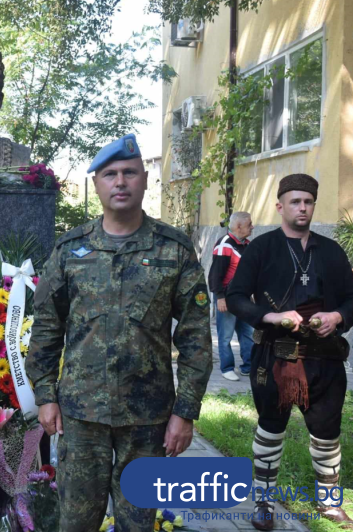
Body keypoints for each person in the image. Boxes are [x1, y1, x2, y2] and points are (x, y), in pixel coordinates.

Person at [26, 133, 213, 532]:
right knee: (75, 522)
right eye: (110, 174)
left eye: (130, 172)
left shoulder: (174, 250)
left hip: (148, 421)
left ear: (145, 179)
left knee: (139, 523)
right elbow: (46, 328)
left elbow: (196, 338)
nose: (121, 181)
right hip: (80, 418)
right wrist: (45, 396)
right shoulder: (70, 251)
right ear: (97, 184)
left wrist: (186, 411)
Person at [226, 174, 353, 530]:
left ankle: (329, 504)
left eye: (308, 202)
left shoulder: (331, 252)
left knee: (327, 433)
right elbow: (235, 297)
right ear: (280, 206)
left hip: (324, 358)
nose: (302, 207)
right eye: (295, 202)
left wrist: (338, 316)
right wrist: (270, 316)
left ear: (314, 205)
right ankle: (263, 503)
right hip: (274, 357)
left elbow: (351, 298)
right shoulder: (261, 248)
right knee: (270, 429)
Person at [208, 211, 255, 381]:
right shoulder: (224, 245)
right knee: (226, 334)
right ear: (239, 226)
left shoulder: (247, 244)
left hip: (243, 298)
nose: (252, 226)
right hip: (226, 297)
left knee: (247, 332)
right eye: (249, 224)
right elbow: (214, 275)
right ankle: (227, 368)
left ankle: (249, 367)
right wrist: (220, 297)